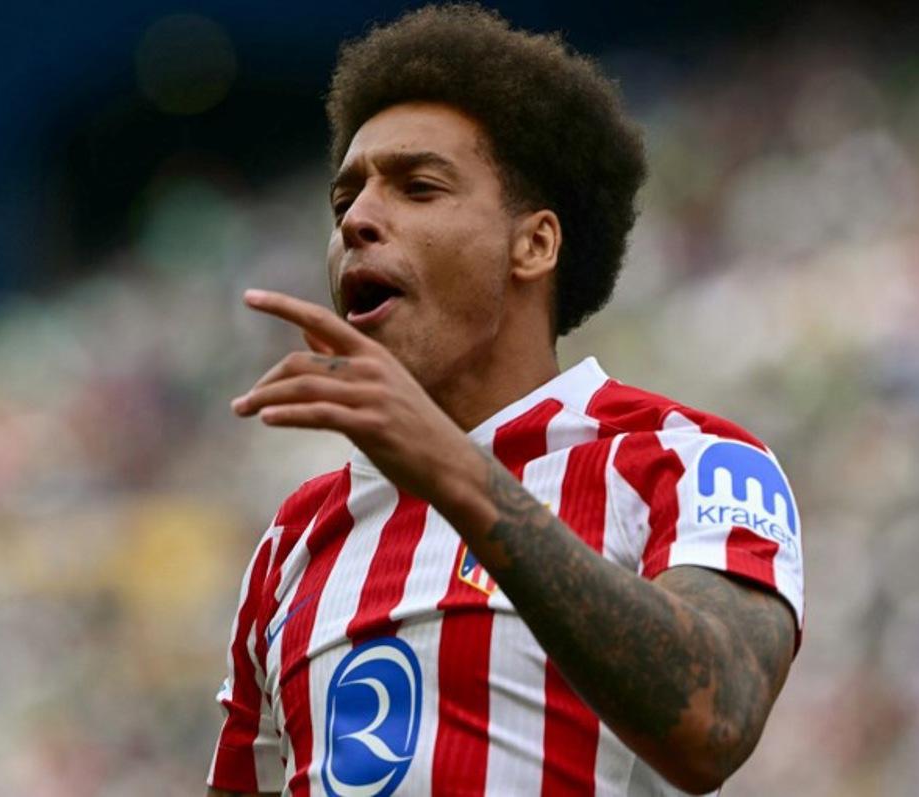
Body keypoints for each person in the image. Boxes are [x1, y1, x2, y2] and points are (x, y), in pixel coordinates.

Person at [207, 5, 803, 796]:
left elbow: (715, 717)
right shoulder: (294, 541)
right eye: (343, 201)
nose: (356, 220)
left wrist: (454, 470)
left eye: (417, 187)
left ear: (536, 243)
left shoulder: (684, 459)